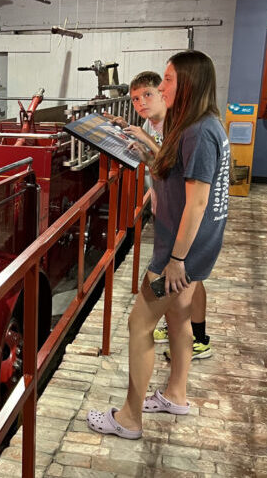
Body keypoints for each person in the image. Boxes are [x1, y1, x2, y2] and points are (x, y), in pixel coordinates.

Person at [87, 50, 230, 439]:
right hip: (193, 247)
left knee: (139, 324)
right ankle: (176, 394)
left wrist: (177, 260)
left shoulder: (200, 131)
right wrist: (147, 150)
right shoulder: (201, 124)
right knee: (179, 317)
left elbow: (198, 201)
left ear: (189, 84)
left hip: (179, 251)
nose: (162, 87)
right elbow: (179, 174)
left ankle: (129, 418)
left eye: (168, 80)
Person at [120, 72, 214, 360]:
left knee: (181, 280)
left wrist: (145, 138)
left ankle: (195, 341)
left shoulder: (182, 126)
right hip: (168, 212)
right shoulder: (153, 124)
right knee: (189, 281)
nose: (141, 103)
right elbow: (160, 167)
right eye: (135, 99)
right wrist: (138, 144)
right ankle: (187, 334)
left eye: (147, 95)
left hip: (186, 216)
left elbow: (179, 164)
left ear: (162, 93)